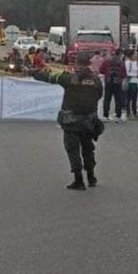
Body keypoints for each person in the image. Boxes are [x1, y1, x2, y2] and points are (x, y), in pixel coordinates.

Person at [32, 52, 104, 191]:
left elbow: (49, 77)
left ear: (76, 63)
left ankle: (79, 180)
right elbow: (99, 95)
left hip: (71, 121)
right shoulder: (96, 80)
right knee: (88, 149)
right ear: (89, 63)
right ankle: (91, 177)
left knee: (73, 149)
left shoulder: (69, 78)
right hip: (89, 121)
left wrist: (34, 73)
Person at [99, 49, 126, 123]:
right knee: (118, 99)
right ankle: (118, 116)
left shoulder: (107, 61)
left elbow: (101, 70)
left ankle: (105, 116)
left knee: (107, 99)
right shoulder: (121, 62)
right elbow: (124, 74)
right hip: (118, 83)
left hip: (108, 82)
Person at [124, 50, 138, 119]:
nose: (136, 56)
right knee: (129, 98)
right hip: (130, 82)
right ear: (131, 55)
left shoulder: (136, 63)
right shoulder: (128, 63)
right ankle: (128, 113)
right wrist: (135, 75)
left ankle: (134, 112)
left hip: (135, 82)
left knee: (134, 99)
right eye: (134, 54)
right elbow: (127, 73)